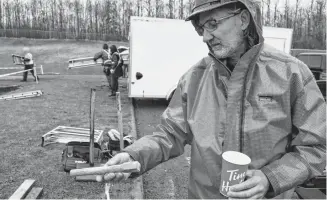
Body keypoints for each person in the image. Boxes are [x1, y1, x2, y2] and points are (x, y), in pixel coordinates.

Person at [96, 0, 326, 199]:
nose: (206, 36)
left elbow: (316, 147)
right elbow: (169, 134)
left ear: (244, 19)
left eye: (213, 24)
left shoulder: (291, 74)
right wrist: (134, 155)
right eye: (201, 28)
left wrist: (270, 178)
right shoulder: (195, 78)